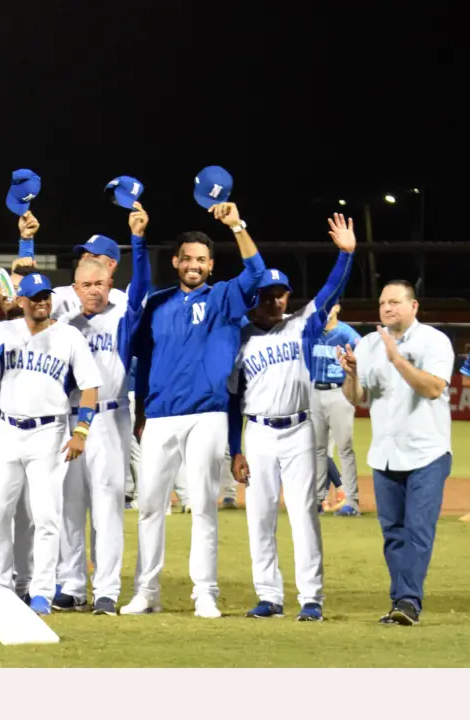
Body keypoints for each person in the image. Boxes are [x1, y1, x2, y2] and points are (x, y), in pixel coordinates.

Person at [124, 201, 266, 618]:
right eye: (186, 258)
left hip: (207, 414)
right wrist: (140, 414)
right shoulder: (157, 303)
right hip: (160, 415)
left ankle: (205, 591)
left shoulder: (224, 297)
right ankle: (146, 591)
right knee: (150, 504)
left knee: (202, 504)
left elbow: (256, 274)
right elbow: (144, 361)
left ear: (210, 265)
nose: (193, 265)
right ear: (175, 261)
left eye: (201, 259)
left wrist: (237, 224)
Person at [228, 213, 356, 622]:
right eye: (268, 294)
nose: (277, 300)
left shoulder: (301, 326)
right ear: (255, 296)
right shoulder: (239, 338)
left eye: (282, 294)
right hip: (260, 434)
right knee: (260, 517)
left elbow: (330, 289)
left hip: (299, 429)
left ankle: (311, 598)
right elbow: (233, 401)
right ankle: (269, 596)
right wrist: (235, 449)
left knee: (303, 515)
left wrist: (346, 255)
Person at [0, 272, 102, 614]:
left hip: (50, 432)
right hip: (8, 429)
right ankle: (1, 583)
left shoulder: (69, 336)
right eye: (34, 297)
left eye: (45, 296)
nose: (42, 302)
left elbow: (90, 386)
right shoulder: (6, 330)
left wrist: (82, 431)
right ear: (22, 301)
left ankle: (42, 591)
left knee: (45, 515)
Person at [54, 202, 152, 616]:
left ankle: (107, 589)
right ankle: (72, 584)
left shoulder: (124, 309)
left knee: (108, 504)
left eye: (99, 280)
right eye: (84, 282)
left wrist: (139, 241)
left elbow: (143, 288)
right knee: (68, 505)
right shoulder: (62, 313)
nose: (92, 289)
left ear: (111, 274)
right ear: (75, 285)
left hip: (110, 417)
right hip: (67, 417)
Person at [339, 279, 454, 626]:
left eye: (395, 302)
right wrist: (353, 373)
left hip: (427, 453)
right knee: (393, 534)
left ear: (413, 307)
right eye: (382, 303)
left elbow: (433, 388)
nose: (387, 308)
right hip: (385, 453)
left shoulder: (434, 341)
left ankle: (407, 601)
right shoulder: (368, 343)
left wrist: (396, 359)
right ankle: (401, 600)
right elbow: (356, 397)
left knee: (418, 530)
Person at [308, 301, 362, 516]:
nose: (326, 309)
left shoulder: (347, 334)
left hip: (339, 392)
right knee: (318, 449)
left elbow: (363, 358)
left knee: (345, 449)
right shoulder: (311, 332)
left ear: (338, 307)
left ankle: (352, 502)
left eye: (331, 305)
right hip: (314, 392)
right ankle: (318, 500)